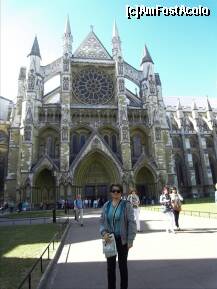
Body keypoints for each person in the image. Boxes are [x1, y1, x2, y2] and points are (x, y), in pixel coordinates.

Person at [100, 184, 136, 289]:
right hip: (110, 239)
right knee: (110, 268)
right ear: (111, 192)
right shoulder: (106, 205)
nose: (116, 193)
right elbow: (102, 221)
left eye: (118, 191)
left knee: (122, 267)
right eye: (114, 191)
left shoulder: (126, 205)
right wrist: (103, 232)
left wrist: (130, 240)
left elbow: (132, 223)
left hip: (122, 240)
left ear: (121, 192)